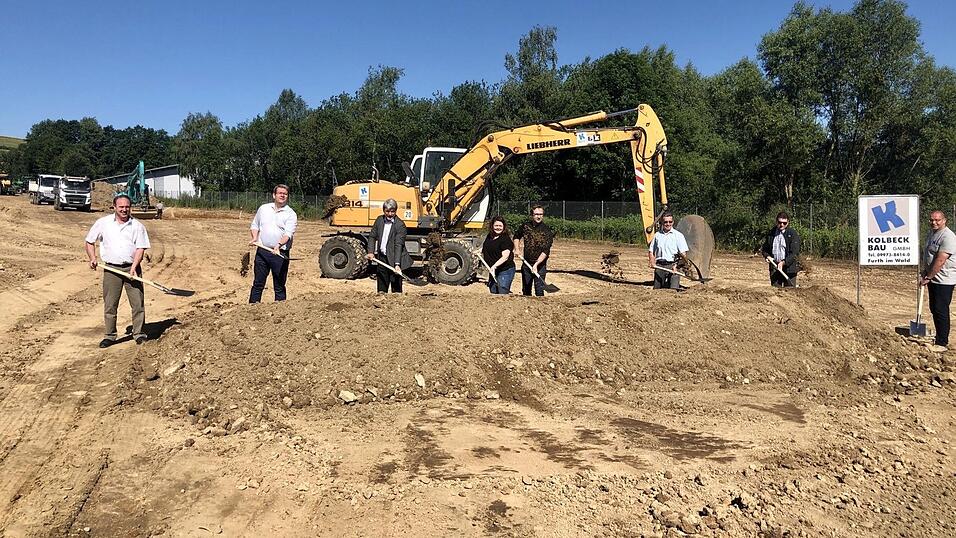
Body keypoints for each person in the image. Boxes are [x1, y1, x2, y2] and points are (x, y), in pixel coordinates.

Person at [84, 194, 151, 347]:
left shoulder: (137, 226)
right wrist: (92, 258)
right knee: (110, 304)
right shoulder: (103, 223)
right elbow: (89, 241)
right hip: (110, 268)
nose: (124, 210)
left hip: (131, 268)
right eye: (121, 207)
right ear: (114, 207)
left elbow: (140, 248)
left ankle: (139, 333)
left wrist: (134, 267)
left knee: (137, 303)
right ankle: (110, 335)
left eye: (127, 207)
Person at [249, 184, 298, 303]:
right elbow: (255, 225)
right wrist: (255, 237)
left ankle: (279, 313)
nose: (282, 195)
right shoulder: (263, 209)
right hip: (262, 252)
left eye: (285, 194)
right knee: (258, 284)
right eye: (280, 193)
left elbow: (288, 234)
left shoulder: (291, 214)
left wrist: (278, 246)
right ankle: (251, 310)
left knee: (279, 286)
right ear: (274, 195)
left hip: (279, 254)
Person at [920, 211, 956, 352]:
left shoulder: (948, 237)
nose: (934, 222)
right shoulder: (931, 234)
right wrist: (925, 271)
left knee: (941, 309)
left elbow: (940, 260)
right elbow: (929, 255)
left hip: (944, 280)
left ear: (944, 220)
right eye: (931, 220)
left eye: (937, 220)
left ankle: (942, 343)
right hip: (933, 278)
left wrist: (928, 277)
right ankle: (939, 335)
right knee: (934, 308)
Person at [366, 198, 412, 293]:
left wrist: (397, 265)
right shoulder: (379, 220)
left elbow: (398, 245)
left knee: (396, 290)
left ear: (396, 211)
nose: (390, 214)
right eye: (387, 211)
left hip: (395, 258)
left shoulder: (400, 225)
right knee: (382, 287)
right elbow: (372, 236)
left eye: (392, 211)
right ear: (384, 211)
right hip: (382, 258)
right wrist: (371, 252)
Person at [513, 205, 554, 296]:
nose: (538, 216)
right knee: (526, 290)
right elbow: (516, 236)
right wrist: (517, 249)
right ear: (532, 215)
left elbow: (545, 251)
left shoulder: (546, 231)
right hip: (526, 264)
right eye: (536, 214)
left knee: (539, 290)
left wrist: (536, 265)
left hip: (540, 266)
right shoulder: (525, 226)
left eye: (541, 214)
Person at [647, 212, 688, 290]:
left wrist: (677, 266)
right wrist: (652, 261)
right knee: (657, 291)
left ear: (673, 222)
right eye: (665, 222)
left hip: (673, 266)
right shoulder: (657, 235)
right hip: (660, 266)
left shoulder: (678, 236)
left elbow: (684, 255)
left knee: (673, 291)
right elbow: (651, 250)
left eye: (670, 222)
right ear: (662, 222)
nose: (668, 224)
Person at [761, 211, 801, 287]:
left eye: (784, 223)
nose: (781, 225)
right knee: (776, 294)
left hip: (789, 269)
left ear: (788, 222)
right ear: (776, 221)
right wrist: (767, 256)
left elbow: (794, 253)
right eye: (779, 222)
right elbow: (765, 249)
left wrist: (783, 262)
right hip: (775, 268)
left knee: (789, 293)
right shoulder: (771, 233)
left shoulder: (792, 234)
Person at [482, 216, 515, 294]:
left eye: (500, 226)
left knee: (502, 293)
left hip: (504, 270)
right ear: (492, 226)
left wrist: (494, 266)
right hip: (493, 270)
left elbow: (505, 257)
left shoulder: (505, 239)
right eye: (496, 225)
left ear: (504, 227)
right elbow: (486, 248)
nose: (498, 228)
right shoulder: (490, 236)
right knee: (493, 291)